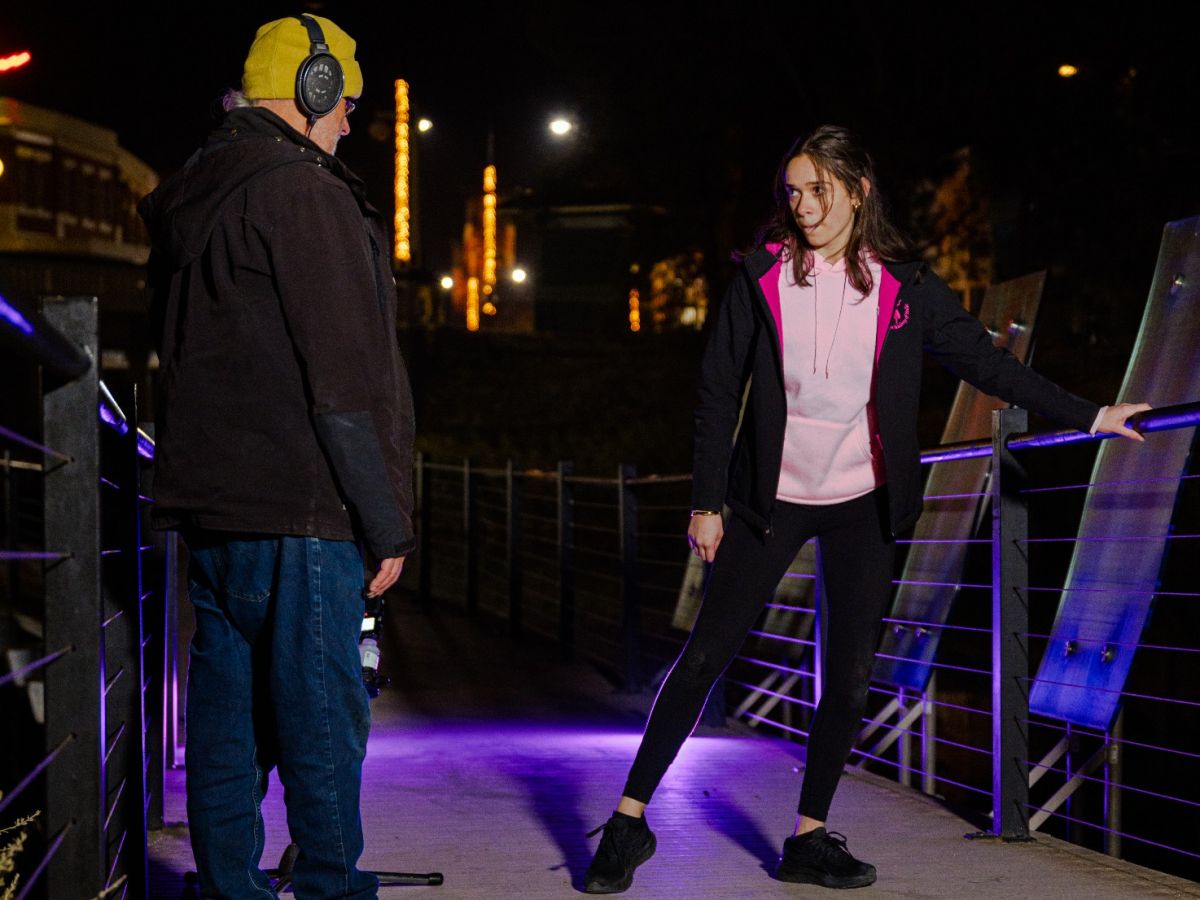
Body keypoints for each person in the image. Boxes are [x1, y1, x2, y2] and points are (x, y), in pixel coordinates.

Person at [583, 125, 1149, 893]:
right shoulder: (760, 278)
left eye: (819, 190)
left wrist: (1090, 415)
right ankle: (627, 822)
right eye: (793, 192)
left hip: (862, 505)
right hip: (768, 501)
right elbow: (718, 393)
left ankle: (808, 838)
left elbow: (985, 364)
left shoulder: (904, 290)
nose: (804, 205)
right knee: (705, 659)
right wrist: (707, 501)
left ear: (858, 191)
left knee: (849, 681)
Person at [139, 15, 416, 899]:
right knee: (322, 722)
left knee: (228, 723)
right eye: (347, 107)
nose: (348, 126)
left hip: (216, 512)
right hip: (305, 513)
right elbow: (346, 379)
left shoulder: (201, 189)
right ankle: (335, 887)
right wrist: (387, 521)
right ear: (316, 89)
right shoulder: (304, 193)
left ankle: (230, 888)